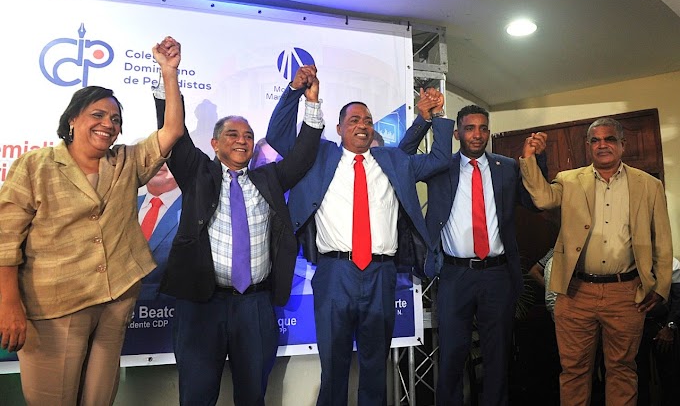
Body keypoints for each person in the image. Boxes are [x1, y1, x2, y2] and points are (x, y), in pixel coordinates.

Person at [0, 35, 184, 405]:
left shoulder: (125, 162)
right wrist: (8, 303)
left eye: (115, 119)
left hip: (115, 302)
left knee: (99, 398)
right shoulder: (35, 166)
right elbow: (5, 240)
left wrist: (169, 72)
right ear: (72, 120)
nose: (108, 124)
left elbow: (172, 131)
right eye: (97, 115)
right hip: (54, 307)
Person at [266, 65, 454, 406]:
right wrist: (295, 92)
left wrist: (435, 116)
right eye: (354, 120)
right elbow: (278, 137)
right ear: (338, 128)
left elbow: (441, 159)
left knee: (374, 366)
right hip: (335, 273)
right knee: (334, 365)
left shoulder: (393, 161)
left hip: (381, 274)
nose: (362, 125)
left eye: (367, 120)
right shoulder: (319, 156)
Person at [154, 67, 324, 406]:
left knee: (252, 396)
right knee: (197, 396)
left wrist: (311, 102)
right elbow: (174, 135)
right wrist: (168, 75)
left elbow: (303, 156)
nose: (242, 140)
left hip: (255, 306)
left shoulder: (269, 178)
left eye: (248, 135)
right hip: (202, 305)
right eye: (232, 134)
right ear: (215, 144)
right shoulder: (197, 172)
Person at [398, 103, 547, 406]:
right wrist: (423, 120)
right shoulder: (441, 166)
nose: (477, 135)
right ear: (456, 133)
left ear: (489, 132)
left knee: (497, 356)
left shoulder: (507, 167)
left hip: (498, 274)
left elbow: (534, 202)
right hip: (455, 275)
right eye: (469, 128)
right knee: (452, 354)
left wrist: (537, 160)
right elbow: (401, 160)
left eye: (482, 128)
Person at [519, 117, 673, 406]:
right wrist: (529, 158)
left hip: (626, 293)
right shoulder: (568, 179)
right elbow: (542, 199)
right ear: (588, 145)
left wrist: (661, 287)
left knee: (622, 370)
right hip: (575, 293)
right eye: (596, 140)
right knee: (574, 371)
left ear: (622, 144)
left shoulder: (649, 185)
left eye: (609, 139)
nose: (602, 145)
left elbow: (662, 240)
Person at [636, 257, 680, 406]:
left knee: (670, 376)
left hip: (663, 324)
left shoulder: (671, 263)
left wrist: (670, 327)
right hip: (634, 327)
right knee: (637, 378)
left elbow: (678, 298)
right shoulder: (628, 262)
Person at [137, 163, 182, 300]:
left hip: (171, 306)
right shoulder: (124, 205)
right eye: (149, 157)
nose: (158, 162)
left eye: (166, 157)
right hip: (122, 307)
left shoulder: (195, 207)